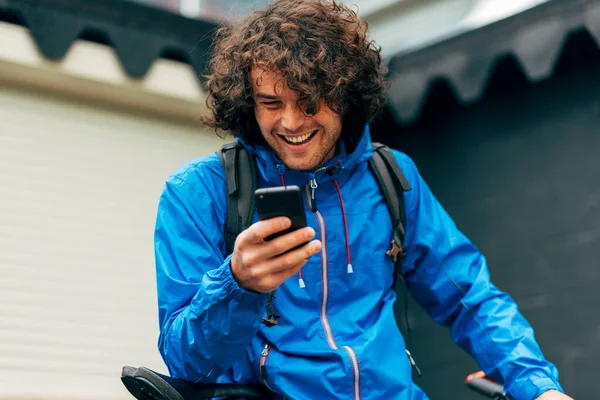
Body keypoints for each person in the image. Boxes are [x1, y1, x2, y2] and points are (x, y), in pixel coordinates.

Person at [153, 1, 573, 399]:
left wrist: (536, 385)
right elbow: (186, 362)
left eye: (310, 101)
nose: (291, 122)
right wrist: (237, 285)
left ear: (344, 93)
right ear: (249, 102)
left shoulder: (392, 176)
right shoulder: (196, 193)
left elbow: (470, 297)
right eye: (271, 103)